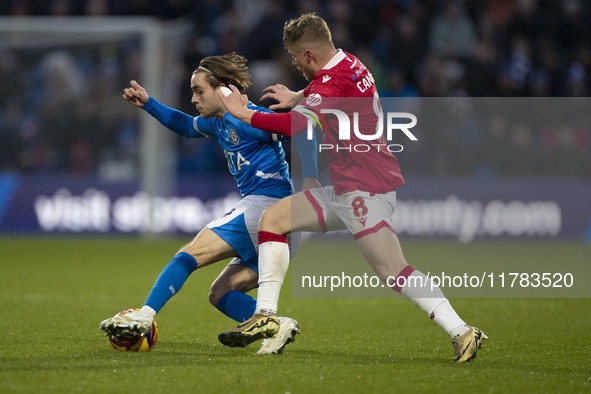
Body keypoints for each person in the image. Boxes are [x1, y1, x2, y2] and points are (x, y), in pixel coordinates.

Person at [216, 13, 486, 362]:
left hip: (365, 190)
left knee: (392, 269)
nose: (295, 64)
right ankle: (264, 314)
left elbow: (297, 126)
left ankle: (462, 331)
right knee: (273, 219)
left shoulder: (332, 78)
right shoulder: (351, 63)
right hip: (345, 189)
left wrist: (244, 113)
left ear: (310, 54)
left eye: (296, 58)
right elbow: (328, 93)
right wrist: (300, 95)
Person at [99, 53, 318, 355]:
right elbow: (187, 125)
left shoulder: (249, 118)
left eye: (198, 91)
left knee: (189, 254)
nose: (193, 98)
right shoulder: (218, 122)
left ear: (222, 90)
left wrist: (312, 180)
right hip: (286, 229)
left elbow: (301, 129)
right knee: (220, 292)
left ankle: (144, 317)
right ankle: (278, 325)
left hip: (268, 207)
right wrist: (149, 103)